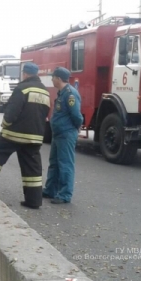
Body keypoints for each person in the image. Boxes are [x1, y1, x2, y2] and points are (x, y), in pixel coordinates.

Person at [0, 62, 50, 209]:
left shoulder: (22, 88)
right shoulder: (45, 91)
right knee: (32, 168)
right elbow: (45, 114)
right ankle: (34, 201)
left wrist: (6, 124)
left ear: (25, 73)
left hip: (15, 134)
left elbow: (12, 112)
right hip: (35, 137)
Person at [42, 67, 83, 204]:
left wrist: (75, 127)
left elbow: (77, 116)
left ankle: (65, 194)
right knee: (54, 163)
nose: (52, 80)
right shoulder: (61, 93)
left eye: (53, 77)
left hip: (66, 134)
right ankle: (50, 190)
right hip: (58, 133)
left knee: (65, 164)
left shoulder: (70, 94)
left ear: (58, 78)